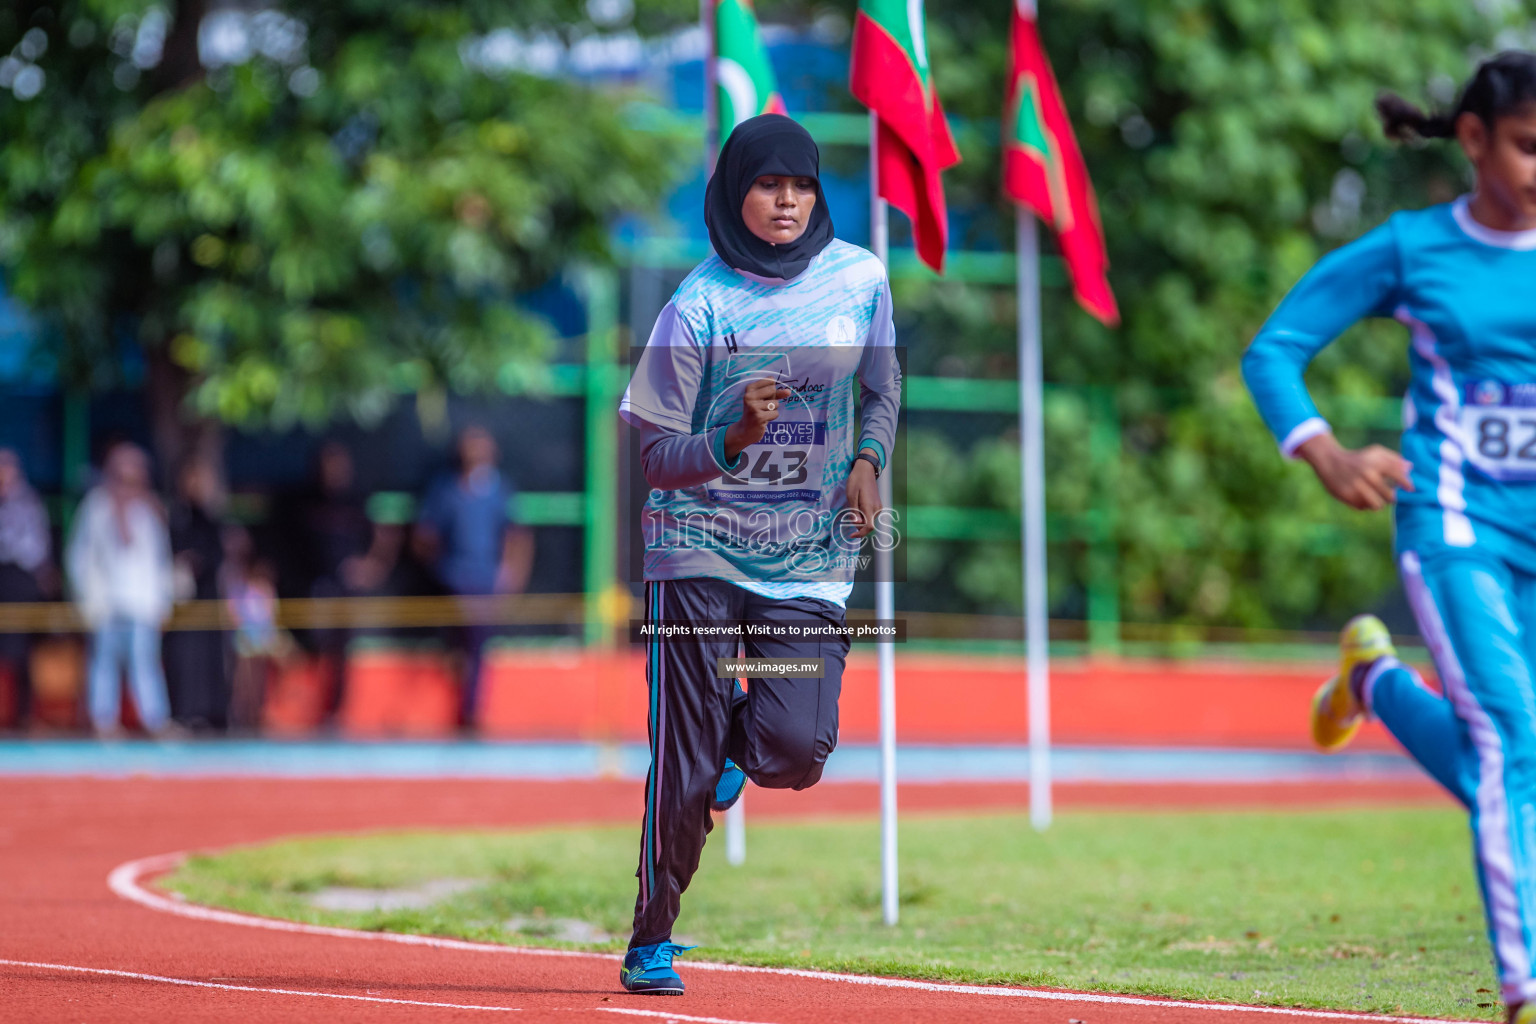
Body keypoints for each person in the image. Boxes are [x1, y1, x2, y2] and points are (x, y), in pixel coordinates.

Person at [1242, 53, 1536, 1024]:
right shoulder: (1415, 249)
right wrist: (1321, 449)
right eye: (1531, 147)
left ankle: (1373, 683)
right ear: (1474, 140)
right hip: (1456, 524)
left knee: (1509, 757)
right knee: (1513, 741)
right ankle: (1524, 985)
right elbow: (1276, 346)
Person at [614, 114, 900, 995]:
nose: (787, 201)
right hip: (697, 551)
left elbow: (883, 383)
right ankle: (651, 935)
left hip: (809, 556)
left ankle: (740, 746)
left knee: (795, 747)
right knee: (683, 760)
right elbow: (654, 457)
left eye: (802, 185)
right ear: (736, 190)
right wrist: (733, 437)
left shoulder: (861, 279)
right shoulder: (696, 306)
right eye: (770, 185)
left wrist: (869, 458)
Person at [414, 425, 533, 727]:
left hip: (486, 583)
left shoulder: (499, 490)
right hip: (453, 581)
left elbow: (516, 536)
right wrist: (443, 573)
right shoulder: (446, 489)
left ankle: (471, 709)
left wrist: (509, 577)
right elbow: (425, 536)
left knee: (478, 643)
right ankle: (466, 703)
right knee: (461, 641)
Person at [66, 442, 177, 739]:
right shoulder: (96, 506)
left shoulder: (149, 509)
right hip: (106, 602)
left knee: (146, 662)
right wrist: (87, 600)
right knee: (103, 662)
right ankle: (104, 722)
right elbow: (80, 556)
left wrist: (164, 601)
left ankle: (155, 720)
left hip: (143, 602)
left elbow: (159, 559)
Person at [163, 456, 230, 731]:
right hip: (183, 605)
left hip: (209, 600)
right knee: (184, 659)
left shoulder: (212, 519)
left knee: (211, 659)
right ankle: (184, 713)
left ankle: (212, 714)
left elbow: (218, 557)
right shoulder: (175, 518)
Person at [0, 448, 53, 727]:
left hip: (21, 583)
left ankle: (25, 717)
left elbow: (37, 545)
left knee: (23, 655)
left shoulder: (29, 502)